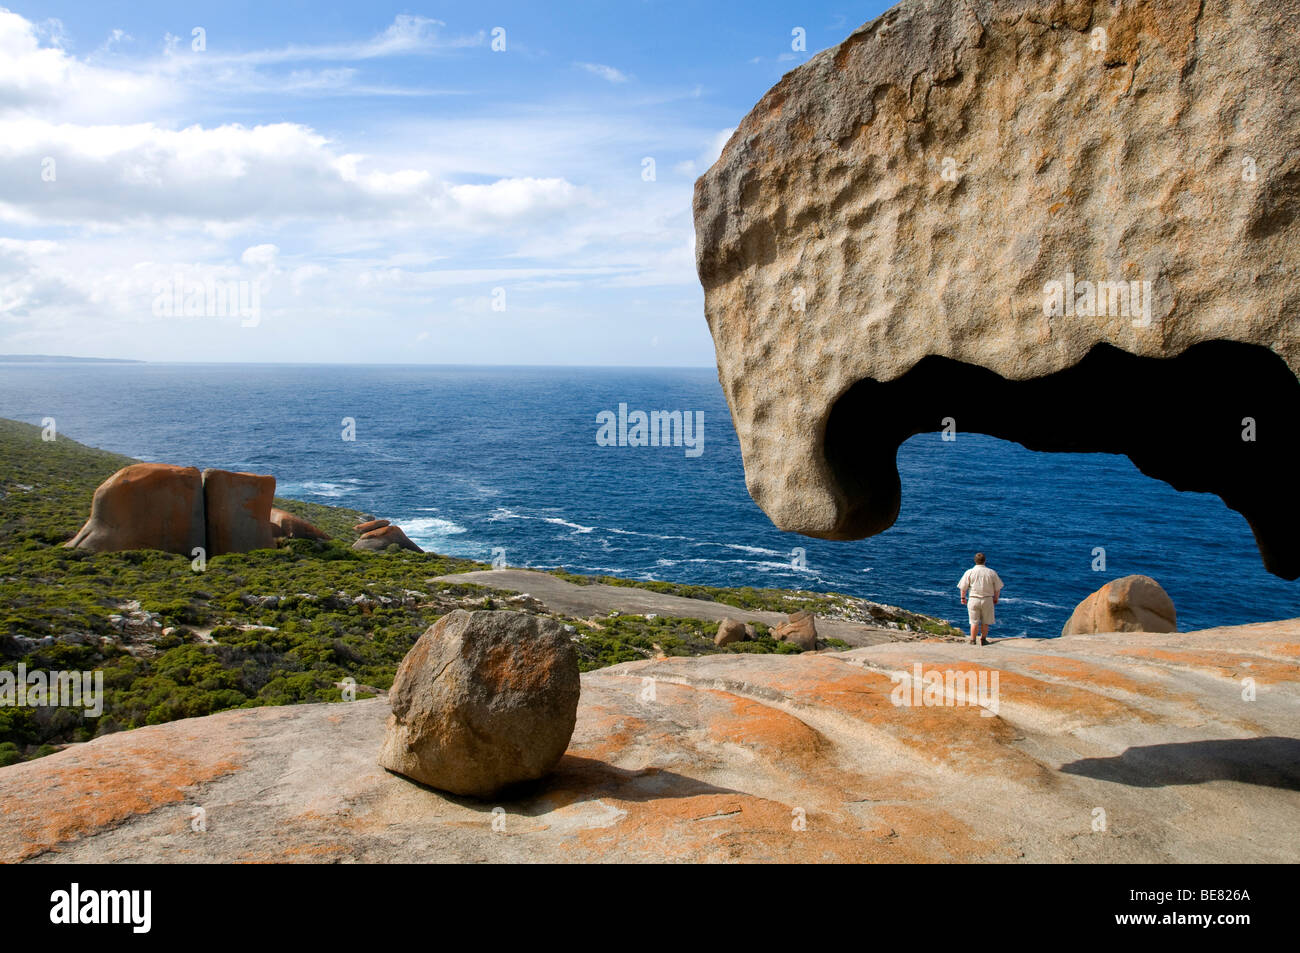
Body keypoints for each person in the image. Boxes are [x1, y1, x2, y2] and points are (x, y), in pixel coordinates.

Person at [958, 552, 1004, 645]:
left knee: (974, 622)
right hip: (987, 599)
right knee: (985, 622)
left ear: (975, 561)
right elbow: (998, 588)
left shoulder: (969, 572)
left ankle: (973, 640)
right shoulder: (991, 572)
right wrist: (996, 598)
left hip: (973, 599)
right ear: (985, 561)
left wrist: (963, 598)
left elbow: (963, 587)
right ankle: (983, 639)